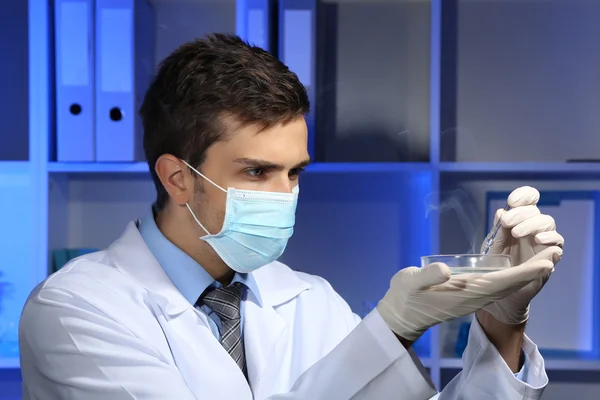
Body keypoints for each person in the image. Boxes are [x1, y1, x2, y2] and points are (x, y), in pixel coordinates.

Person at [19, 34, 564, 400]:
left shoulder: (309, 300)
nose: (284, 196)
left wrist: (501, 322)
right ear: (177, 177)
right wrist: (389, 331)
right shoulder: (75, 311)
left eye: (294, 173)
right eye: (257, 172)